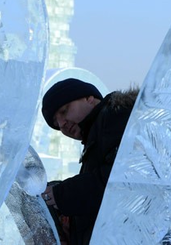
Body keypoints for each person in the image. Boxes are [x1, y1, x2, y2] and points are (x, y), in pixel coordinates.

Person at [39, 78, 136, 245]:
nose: (62, 124)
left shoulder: (116, 116)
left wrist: (62, 195)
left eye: (64, 111)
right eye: (56, 123)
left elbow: (127, 179)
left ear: (89, 99)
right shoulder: (96, 137)